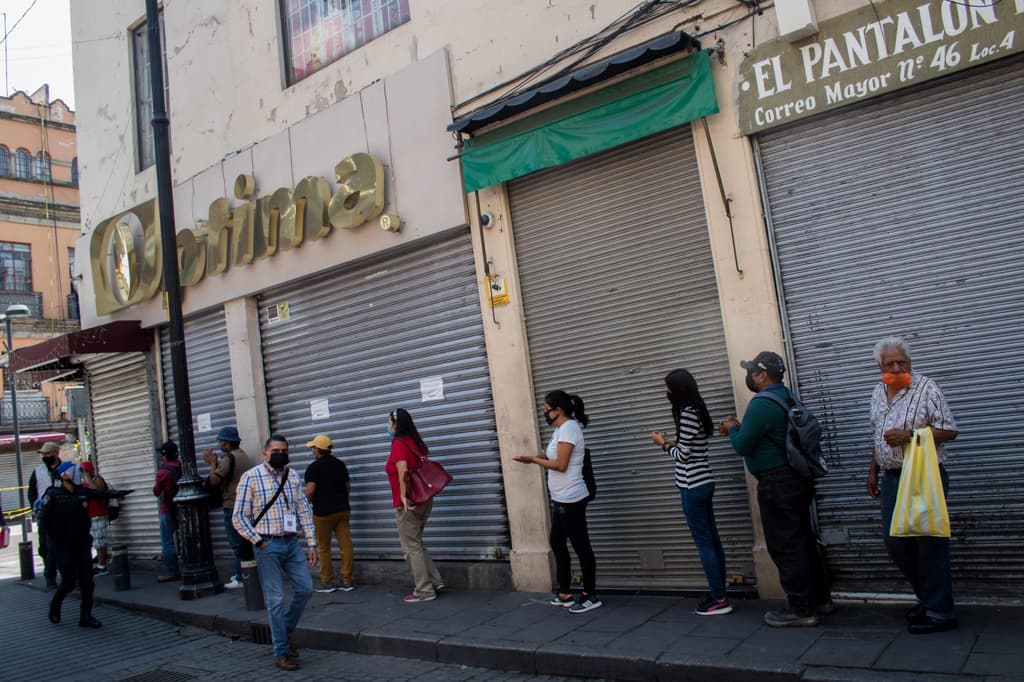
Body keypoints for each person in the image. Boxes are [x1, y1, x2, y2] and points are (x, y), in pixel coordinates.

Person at [719, 351, 830, 627]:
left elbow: (742, 445)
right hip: (796, 478)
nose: (748, 377)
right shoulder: (787, 396)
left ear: (761, 375)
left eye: (751, 372)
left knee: (785, 544)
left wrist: (732, 428)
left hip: (777, 482)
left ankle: (800, 608)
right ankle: (819, 599)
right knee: (803, 539)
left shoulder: (761, 404)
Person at [866, 336, 959, 635]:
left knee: (929, 543)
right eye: (889, 364)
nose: (896, 368)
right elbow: (877, 434)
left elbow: (949, 430)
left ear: (910, 363)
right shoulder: (878, 392)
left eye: (901, 362)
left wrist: (910, 436)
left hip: (923, 474)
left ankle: (940, 611)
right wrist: (873, 470)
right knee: (895, 542)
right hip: (892, 477)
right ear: (880, 367)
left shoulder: (927, 388)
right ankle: (929, 597)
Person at [233, 434, 316, 672]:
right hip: (267, 545)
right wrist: (258, 541)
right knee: (275, 599)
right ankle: (281, 651)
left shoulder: (292, 476)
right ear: (265, 453)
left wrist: (311, 543)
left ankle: (283, 632)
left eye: (284, 451)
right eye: (276, 451)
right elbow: (238, 517)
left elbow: (303, 510)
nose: (281, 455)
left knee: (305, 589)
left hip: (291, 543)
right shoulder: (251, 477)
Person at [652, 369, 732, 616]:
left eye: (668, 388)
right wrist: (672, 443)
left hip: (692, 484)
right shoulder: (697, 410)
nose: (666, 392)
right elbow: (691, 447)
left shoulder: (687, 413)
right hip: (703, 481)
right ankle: (719, 591)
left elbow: (684, 455)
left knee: (704, 543)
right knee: (712, 539)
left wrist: (663, 444)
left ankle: (719, 599)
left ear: (678, 390)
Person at [514, 391, 601, 614]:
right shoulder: (560, 429)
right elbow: (550, 454)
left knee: (581, 546)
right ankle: (564, 593)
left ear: (558, 410)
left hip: (572, 498)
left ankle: (590, 594)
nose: (544, 413)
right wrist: (531, 457)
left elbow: (561, 465)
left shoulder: (570, 428)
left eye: (546, 409)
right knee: (557, 543)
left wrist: (534, 460)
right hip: (560, 497)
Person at [386, 408, 444, 604]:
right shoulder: (416, 442)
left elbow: (402, 471)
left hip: (409, 502)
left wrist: (403, 496)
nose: (388, 427)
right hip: (424, 499)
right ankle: (434, 580)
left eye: (389, 423)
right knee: (417, 543)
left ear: (396, 424)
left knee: (410, 548)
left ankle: (424, 590)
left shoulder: (399, 444)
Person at [44, 462, 102, 628]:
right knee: (68, 581)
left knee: (87, 581)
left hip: (82, 542)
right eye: (73, 471)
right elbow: (45, 520)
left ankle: (86, 616)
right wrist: (55, 536)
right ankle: (56, 603)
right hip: (63, 544)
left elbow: (100, 494)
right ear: (63, 475)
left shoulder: (82, 491)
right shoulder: (53, 494)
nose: (76, 473)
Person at [201, 425, 252, 589]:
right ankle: (246, 573)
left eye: (221, 441)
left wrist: (212, 463)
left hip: (232, 504)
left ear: (227, 443)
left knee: (236, 543)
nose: (219, 444)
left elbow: (214, 481)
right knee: (244, 542)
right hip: (244, 504)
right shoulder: (243, 455)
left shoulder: (229, 458)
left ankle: (241, 577)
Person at [304, 434, 355, 593]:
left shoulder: (314, 468)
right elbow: (347, 487)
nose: (312, 451)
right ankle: (347, 580)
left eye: (313, 448)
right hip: (342, 510)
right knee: (345, 545)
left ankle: (327, 582)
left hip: (323, 513)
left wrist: (303, 505)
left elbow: (310, 491)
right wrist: (343, 500)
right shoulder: (340, 465)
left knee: (324, 547)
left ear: (318, 450)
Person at [28, 441, 62, 589]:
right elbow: (32, 492)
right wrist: (35, 508)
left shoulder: (67, 468)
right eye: (43, 454)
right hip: (45, 514)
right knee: (46, 547)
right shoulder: (38, 471)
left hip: (64, 513)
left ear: (56, 453)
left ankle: (69, 576)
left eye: (47, 453)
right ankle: (50, 577)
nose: (45, 456)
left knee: (65, 546)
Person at [152, 441, 182, 583]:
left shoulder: (163, 472)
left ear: (165, 455)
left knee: (167, 542)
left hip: (168, 509)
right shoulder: (181, 466)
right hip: (182, 508)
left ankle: (173, 572)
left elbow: (156, 492)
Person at [79, 461, 110, 576]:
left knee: (101, 541)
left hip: (99, 514)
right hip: (90, 515)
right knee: (96, 542)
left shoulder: (97, 480)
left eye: (85, 471)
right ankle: (99, 564)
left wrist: (87, 477)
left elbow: (96, 491)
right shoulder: (84, 482)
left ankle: (102, 565)